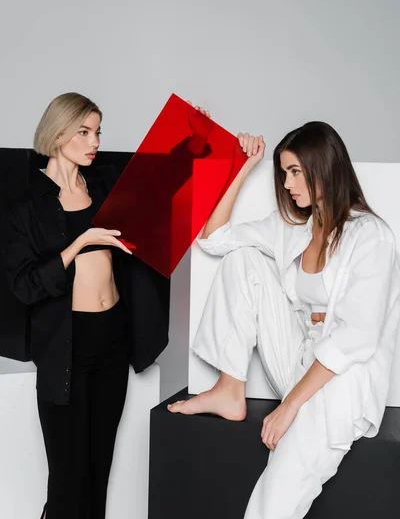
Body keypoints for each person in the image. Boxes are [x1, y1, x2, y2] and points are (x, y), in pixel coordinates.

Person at [168, 123, 400, 519]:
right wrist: (243, 166)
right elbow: (214, 238)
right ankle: (229, 388)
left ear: (323, 167)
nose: (287, 183)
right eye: (283, 172)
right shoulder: (294, 227)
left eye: (295, 171)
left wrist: (290, 404)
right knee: (242, 260)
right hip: (297, 358)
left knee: (275, 500)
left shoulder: (370, 236)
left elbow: (357, 336)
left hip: (340, 386)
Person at [1, 92, 172, 519]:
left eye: (97, 131)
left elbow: (164, 191)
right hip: (66, 350)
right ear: (58, 133)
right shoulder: (27, 206)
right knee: (67, 479)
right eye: (84, 131)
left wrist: (196, 130)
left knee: (98, 473)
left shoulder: (106, 183)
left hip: (112, 341)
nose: (94, 140)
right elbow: (24, 285)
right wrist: (79, 244)